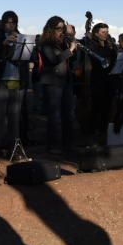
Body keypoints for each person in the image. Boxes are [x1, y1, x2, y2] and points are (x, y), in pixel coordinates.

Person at [0, 11, 30, 158]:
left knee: (15, 117)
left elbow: (30, 56)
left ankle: (14, 149)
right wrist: (3, 44)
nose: (10, 25)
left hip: (17, 81)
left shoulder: (21, 37)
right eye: (8, 22)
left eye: (13, 22)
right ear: (3, 23)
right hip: (0, 82)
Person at [38, 16, 78, 155]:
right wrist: (70, 50)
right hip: (52, 82)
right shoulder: (46, 43)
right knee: (54, 116)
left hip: (65, 80)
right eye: (58, 28)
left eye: (62, 28)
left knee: (68, 113)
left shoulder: (63, 42)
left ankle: (68, 144)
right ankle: (54, 145)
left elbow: (71, 61)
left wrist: (71, 41)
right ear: (51, 29)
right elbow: (54, 59)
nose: (61, 31)